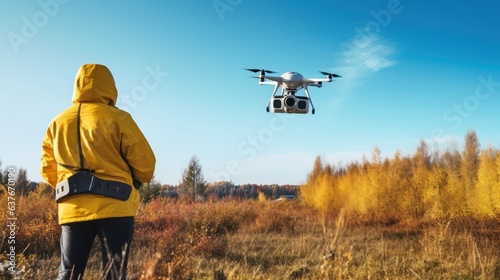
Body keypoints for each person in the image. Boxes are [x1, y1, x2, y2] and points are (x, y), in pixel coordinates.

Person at [40, 64, 156, 279]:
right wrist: (135, 181)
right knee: (114, 273)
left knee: (68, 273)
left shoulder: (56, 123)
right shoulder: (119, 119)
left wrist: (70, 185)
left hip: (73, 207)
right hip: (116, 206)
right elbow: (146, 166)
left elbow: (47, 169)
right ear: (110, 87)